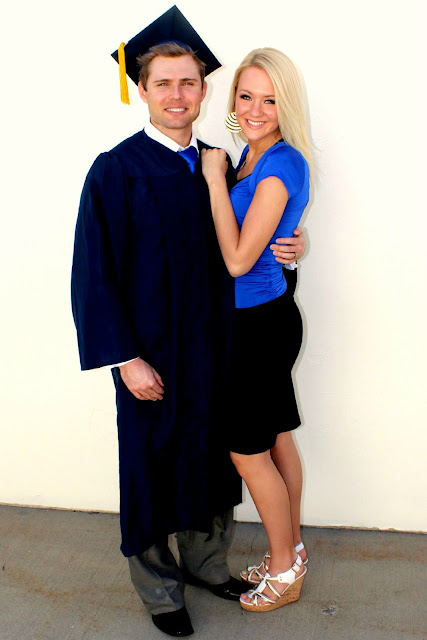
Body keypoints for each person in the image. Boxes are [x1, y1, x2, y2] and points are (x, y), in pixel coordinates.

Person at [71, 8, 305, 636]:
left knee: (211, 460)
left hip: (216, 350)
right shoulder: (117, 170)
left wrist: (292, 244)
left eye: (189, 83)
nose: (177, 95)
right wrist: (126, 359)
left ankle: (206, 565)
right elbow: (94, 273)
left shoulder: (220, 164)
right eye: (163, 83)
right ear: (142, 90)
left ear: (204, 91)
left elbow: (248, 244)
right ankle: (159, 590)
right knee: (149, 466)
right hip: (150, 355)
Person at [201, 47, 313, 613]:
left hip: (258, 325)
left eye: (269, 100)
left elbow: (239, 260)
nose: (254, 109)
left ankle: (285, 569)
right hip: (260, 318)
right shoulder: (251, 154)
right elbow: (274, 232)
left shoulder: (278, 163)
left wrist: (213, 181)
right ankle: (289, 551)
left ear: (285, 105)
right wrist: (295, 243)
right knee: (276, 438)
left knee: (247, 452)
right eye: (245, 96)